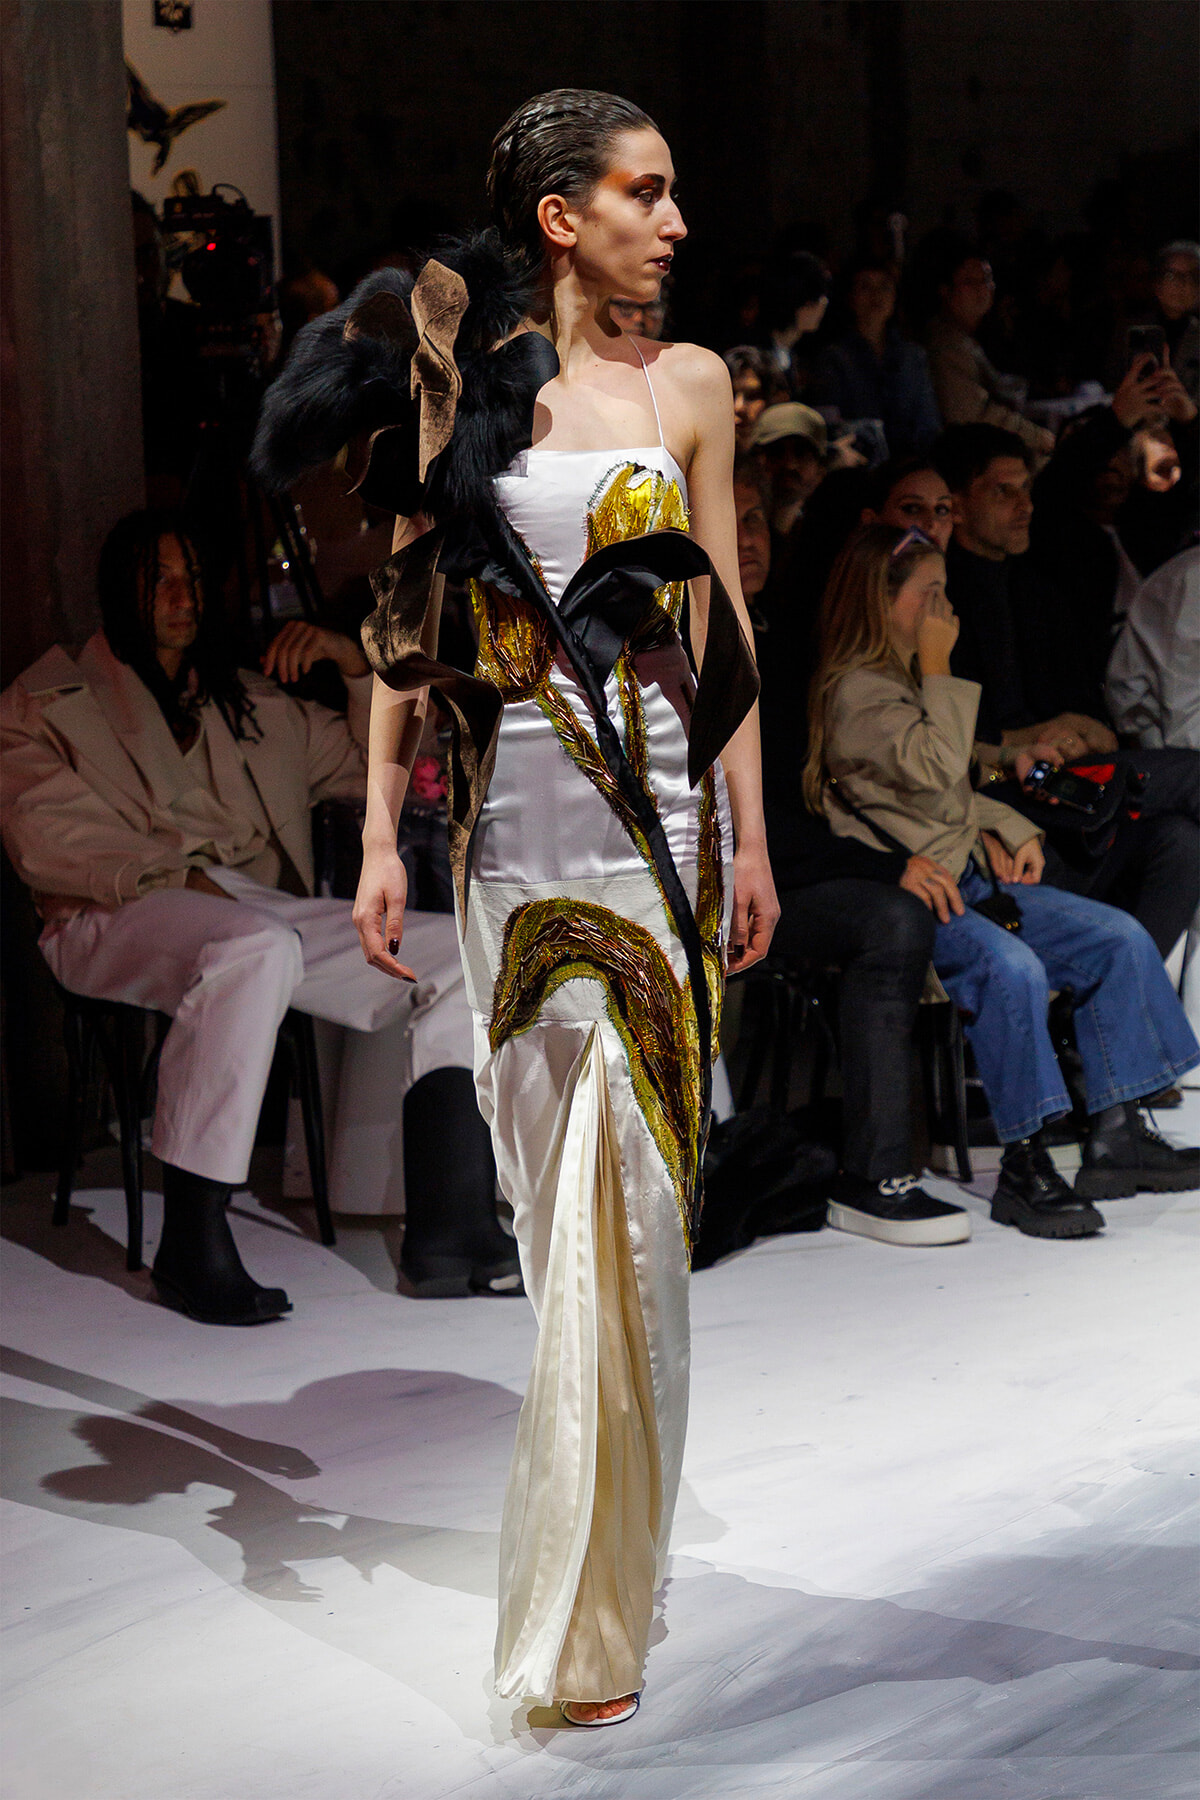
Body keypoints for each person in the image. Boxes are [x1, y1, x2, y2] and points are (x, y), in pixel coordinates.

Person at [255, 89, 776, 1727]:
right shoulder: (465, 389)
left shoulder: (693, 389)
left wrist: (751, 843)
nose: (674, 220)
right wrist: (381, 841)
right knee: (565, 1231)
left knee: (638, 1218)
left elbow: (726, 633)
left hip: (663, 824)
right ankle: (586, 1577)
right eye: (646, 191)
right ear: (562, 215)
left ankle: (587, 1626)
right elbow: (410, 616)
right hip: (514, 839)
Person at [0, 511, 518, 1321]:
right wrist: (170, 874)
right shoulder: (46, 700)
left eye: (192, 578)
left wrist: (356, 666)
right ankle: (191, 1240)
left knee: (455, 949)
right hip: (108, 910)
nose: (182, 596)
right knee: (254, 946)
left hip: (249, 911)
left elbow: (378, 766)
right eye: (159, 578)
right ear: (119, 590)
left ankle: (453, 1227)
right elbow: (45, 839)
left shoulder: (245, 703)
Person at [804, 525, 1199, 1235]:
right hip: (929, 900)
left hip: (978, 883)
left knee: (1118, 936)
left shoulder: (900, 686)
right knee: (1012, 968)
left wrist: (1012, 823)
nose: (944, 612)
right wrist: (939, 669)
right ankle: (1025, 1160)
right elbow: (931, 770)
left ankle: (1120, 1132)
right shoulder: (854, 694)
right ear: (884, 601)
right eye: (930, 595)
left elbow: (950, 784)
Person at [744, 470, 971, 1247]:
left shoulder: (781, 631)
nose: (745, 537)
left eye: (755, 519)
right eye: (726, 518)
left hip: (786, 867)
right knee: (893, 917)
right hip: (717, 881)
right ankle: (876, 1176)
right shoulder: (689, 642)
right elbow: (761, 820)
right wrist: (885, 866)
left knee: (908, 906)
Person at [935, 424, 1200, 960]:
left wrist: (1081, 735)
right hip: (997, 783)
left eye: (1025, 490)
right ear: (957, 505)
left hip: (1070, 779)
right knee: (1195, 774)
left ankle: (1117, 1017)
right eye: (1002, 492)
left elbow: (1097, 715)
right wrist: (1039, 736)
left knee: (1181, 842)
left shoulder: (1038, 591)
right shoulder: (936, 601)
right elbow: (953, 741)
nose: (1024, 506)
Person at [918, 232, 1055, 462]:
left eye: (987, 279)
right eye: (970, 282)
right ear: (945, 290)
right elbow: (973, 414)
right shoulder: (945, 345)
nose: (983, 289)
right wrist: (1038, 437)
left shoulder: (977, 336)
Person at [808, 256, 942, 457]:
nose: (876, 295)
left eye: (885, 287)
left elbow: (928, 423)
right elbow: (832, 426)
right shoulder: (833, 358)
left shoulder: (912, 356)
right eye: (865, 287)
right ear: (849, 296)